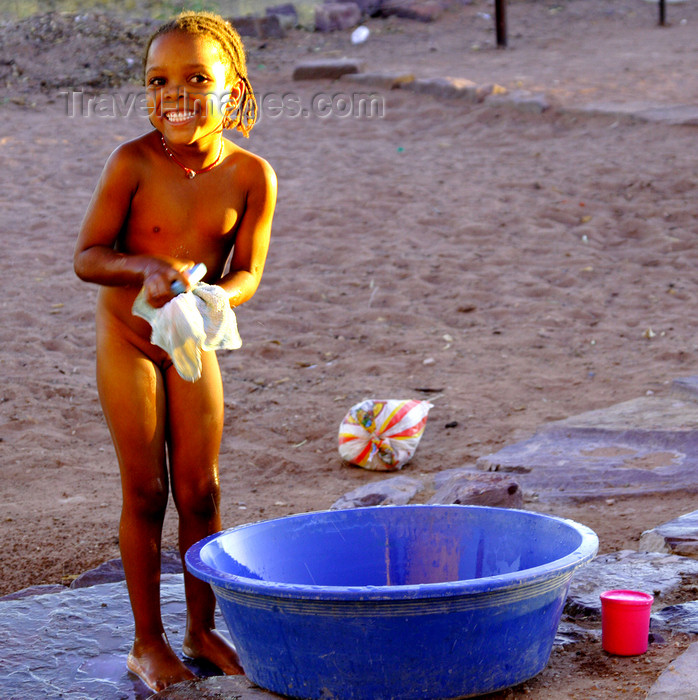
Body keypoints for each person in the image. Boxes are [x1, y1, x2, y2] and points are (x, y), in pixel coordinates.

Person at [73, 11, 277, 693]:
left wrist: (220, 297)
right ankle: (146, 642)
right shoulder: (133, 162)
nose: (176, 94)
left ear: (236, 90)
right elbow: (88, 257)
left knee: (202, 489)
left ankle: (199, 627)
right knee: (147, 490)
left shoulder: (252, 176)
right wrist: (146, 269)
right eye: (159, 81)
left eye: (197, 78)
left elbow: (247, 270)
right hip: (130, 339)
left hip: (189, 341)